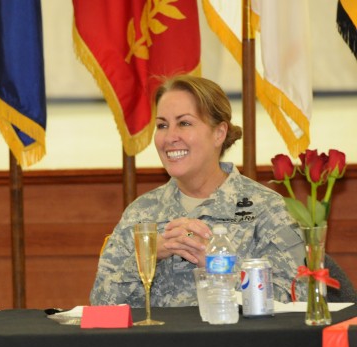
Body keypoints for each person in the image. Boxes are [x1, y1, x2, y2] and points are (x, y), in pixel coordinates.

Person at [90, 75, 306, 307]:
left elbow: (296, 299)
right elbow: (100, 304)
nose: (170, 137)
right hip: (157, 343)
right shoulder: (141, 214)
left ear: (219, 133)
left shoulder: (266, 209)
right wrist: (147, 257)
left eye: (184, 123)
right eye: (162, 125)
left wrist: (219, 263)